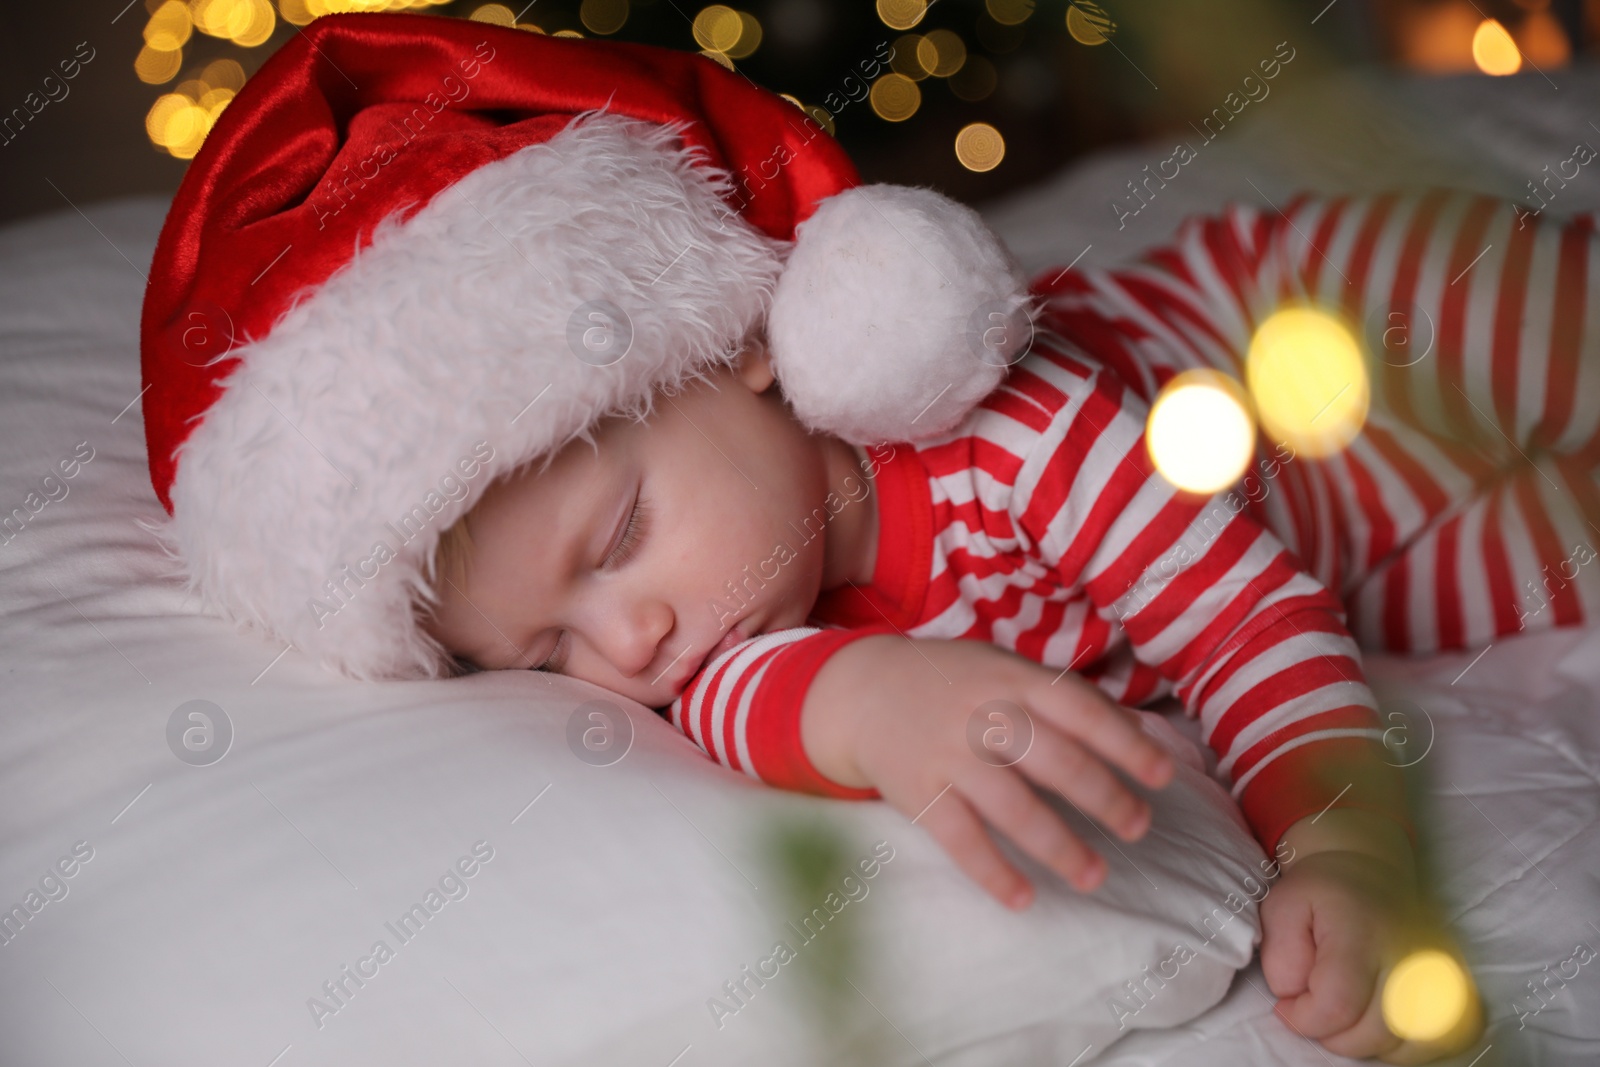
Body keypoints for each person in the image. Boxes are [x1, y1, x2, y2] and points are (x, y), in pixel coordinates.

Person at [139, 14, 1596, 1064]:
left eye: (621, 535)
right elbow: (769, 706)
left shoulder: (1021, 432)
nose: (624, 641)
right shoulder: (706, 641)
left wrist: (1344, 844)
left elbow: (1247, 623)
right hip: (1369, 552)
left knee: (1540, 331)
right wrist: (875, 701)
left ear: (748, 348)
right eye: (543, 648)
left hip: (1315, 335)